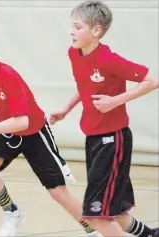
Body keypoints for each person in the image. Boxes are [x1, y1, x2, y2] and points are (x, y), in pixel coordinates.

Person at [0, 30, 100, 237]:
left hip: (34, 131)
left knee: (58, 192)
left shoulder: (8, 76)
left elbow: (23, 121)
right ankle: (13, 212)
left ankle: (93, 229)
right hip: (8, 130)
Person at [49, 1, 159, 236]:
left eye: (77, 27)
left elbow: (152, 80)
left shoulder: (110, 59)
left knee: (97, 217)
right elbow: (84, 84)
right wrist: (66, 109)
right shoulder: (74, 53)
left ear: (96, 30)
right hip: (94, 139)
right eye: (72, 26)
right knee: (116, 212)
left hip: (114, 140)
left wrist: (116, 100)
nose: (71, 31)